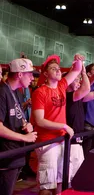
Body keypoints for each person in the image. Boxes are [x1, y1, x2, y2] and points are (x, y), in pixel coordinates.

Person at [32, 54, 83, 195]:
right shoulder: (40, 92)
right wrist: (64, 126)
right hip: (47, 142)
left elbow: (76, 70)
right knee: (47, 184)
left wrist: (78, 61)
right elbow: (39, 120)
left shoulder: (61, 86)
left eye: (58, 68)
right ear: (45, 74)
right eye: (53, 68)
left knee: (61, 180)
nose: (58, 70)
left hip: (61, 140)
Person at [0, 58, 37, 195]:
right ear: (20, 74)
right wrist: (24, 137)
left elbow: (15, 115)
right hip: (6, 156)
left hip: (16, 154)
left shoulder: (17, 92)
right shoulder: (2, 92)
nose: (32, 78)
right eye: (30, 74)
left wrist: (25, 125)